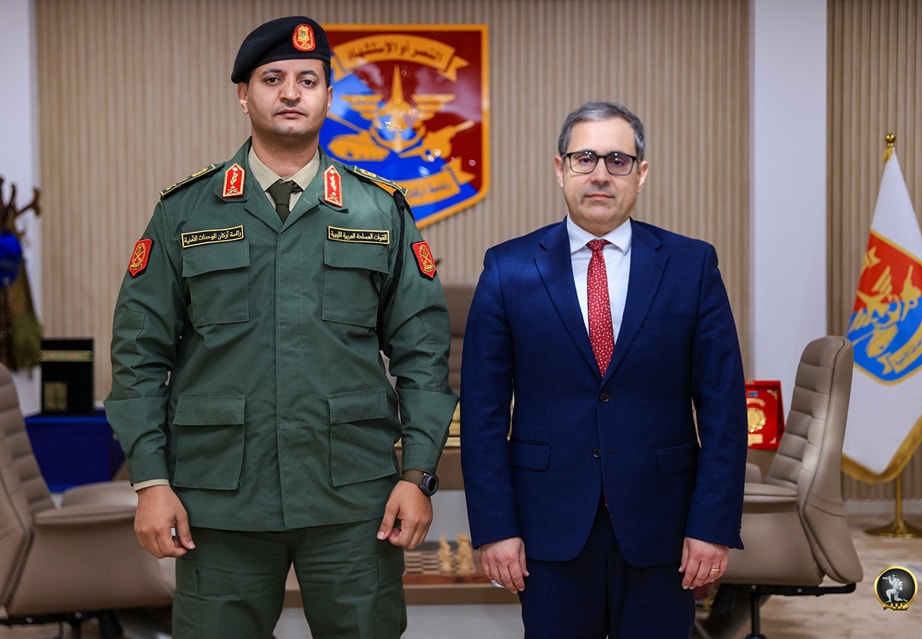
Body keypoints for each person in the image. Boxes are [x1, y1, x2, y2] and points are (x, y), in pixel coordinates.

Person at [104, 16, 458, 639]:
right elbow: (138, 355)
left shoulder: (381, 210)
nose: (290, 92)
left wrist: (417, 474)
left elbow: (423, 355)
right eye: (272, 79)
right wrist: (151, 481)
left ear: (328, 96)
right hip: (218, 498)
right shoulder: (184, 211)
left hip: (354, 500)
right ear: (244, 94)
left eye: (307, 79)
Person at [459, 101, 747, 638]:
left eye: (617, 160)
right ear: (559, 169)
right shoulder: (508, 267)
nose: (599, 174)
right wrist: (495, 529)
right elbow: (481, 413)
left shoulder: (691, 265)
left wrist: (712, 526)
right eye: (584, 157)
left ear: (641, 173)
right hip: (548, 527)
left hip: (663, 528)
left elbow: (724, 408)